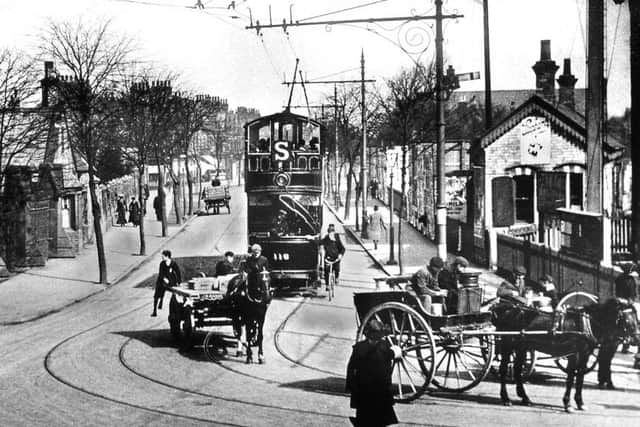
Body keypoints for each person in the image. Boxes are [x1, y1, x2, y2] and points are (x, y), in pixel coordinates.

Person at [346, 319, 398, 427]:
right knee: (370, 416)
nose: (374, 341)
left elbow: (351, 367)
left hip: (374, 389)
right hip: (369, 389)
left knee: (373, 417)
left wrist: (350, 385)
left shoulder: (363, 347)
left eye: (376, 339)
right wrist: (351, 385)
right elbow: (351, 367)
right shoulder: (378, 347)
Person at [614, 262, 639, 359]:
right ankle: (630, 339)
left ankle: (625, 343)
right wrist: (630, 301)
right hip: (627, 303)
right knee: (634, 318)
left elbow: (616, 291)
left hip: (619, 301)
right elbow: (632, 294)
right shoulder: (631, 280)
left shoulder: (618, 278)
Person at [152, 250, 181, 317]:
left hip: (170, 280)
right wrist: (165, 279)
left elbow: (178, 272)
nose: (162, 257)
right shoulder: (162, 263)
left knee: (169, 289)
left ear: (167, 256)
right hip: (162, 280)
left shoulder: (173, 263)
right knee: (157, 294)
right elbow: (161, 273)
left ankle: (162, 300)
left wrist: (179, 282)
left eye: (163, 256)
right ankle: (154, 311)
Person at [320, 224, 346, 291]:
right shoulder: (326, 238)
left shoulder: (337, 238)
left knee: (336, 268)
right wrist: (311, 239)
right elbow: (319, 242)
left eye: (332, 232)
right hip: (328, 258)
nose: (331, 234)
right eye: (329, 232)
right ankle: (327, 285)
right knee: (326, 271)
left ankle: (337, 277)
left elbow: (342, 248)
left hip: (336, 258)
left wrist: (340, 255)